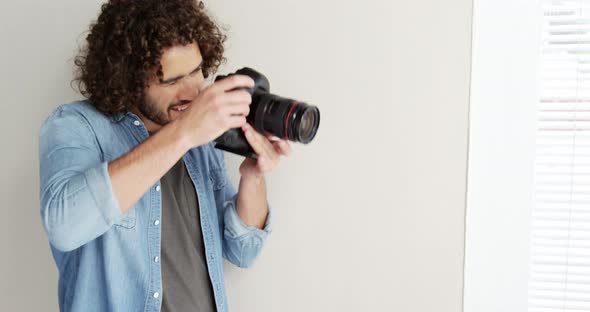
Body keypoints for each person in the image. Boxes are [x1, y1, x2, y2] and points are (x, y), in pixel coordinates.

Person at [38, 1, 291, 311]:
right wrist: (185, 133)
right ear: (127, 80)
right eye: (171, 81)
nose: (192, 93)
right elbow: (65, 226)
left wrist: (253, 176)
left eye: (196, 71)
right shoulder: (76, 125)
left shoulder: (201, 137)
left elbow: (243, 251)